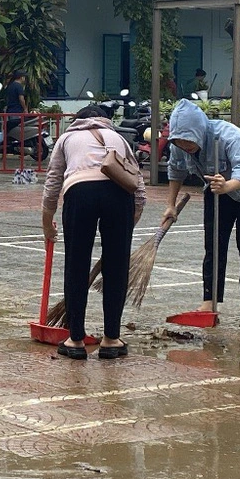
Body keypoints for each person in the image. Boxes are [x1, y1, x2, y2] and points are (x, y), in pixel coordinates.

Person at [42, 105, 147, 359]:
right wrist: (127, 226)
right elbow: (138, 186)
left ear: (78, 120)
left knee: (76, 265)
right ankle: (111, 339)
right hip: (119, 195)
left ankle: (75, 340)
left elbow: (54, 180)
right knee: (117, 268)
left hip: (80, 193)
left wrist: (47, 222)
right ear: (105, 121)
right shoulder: (119, 138)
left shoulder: (67, 138)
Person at [164, 98, 240, 329]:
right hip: (216, 186)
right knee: (214, 244)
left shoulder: (228, 135)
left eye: (189, 142)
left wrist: (226, 187)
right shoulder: (178, 145)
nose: (186, 147)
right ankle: (209, 302)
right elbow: (176, 170)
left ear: (199, 131)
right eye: (181, 143)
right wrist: (170, 204)